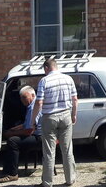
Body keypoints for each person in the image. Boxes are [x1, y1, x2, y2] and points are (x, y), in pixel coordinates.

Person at [31, 58, 78, 187]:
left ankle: (47, 182)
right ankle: (70, 179)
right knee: (67, 150)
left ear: (46, 68)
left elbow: (39, 102)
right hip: (66, 115)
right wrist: (74, 114)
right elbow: (75, 99)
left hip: (49, 117)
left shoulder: (44, 81)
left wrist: (33, 120)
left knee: (49, 152)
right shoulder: (68, 79)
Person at [0, 85, 41, 183]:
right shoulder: (31, 106)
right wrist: (12, 129)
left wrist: (11, 134)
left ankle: (13, 174)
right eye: (21, 98)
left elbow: (29, 131)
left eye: (24, 97)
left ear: (33, 95)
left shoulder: (34, 107)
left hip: (39, 137)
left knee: (13, 141)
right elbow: (26, 124)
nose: (22, 100)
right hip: (34, 134)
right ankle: (7, 170)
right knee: (11, 138)